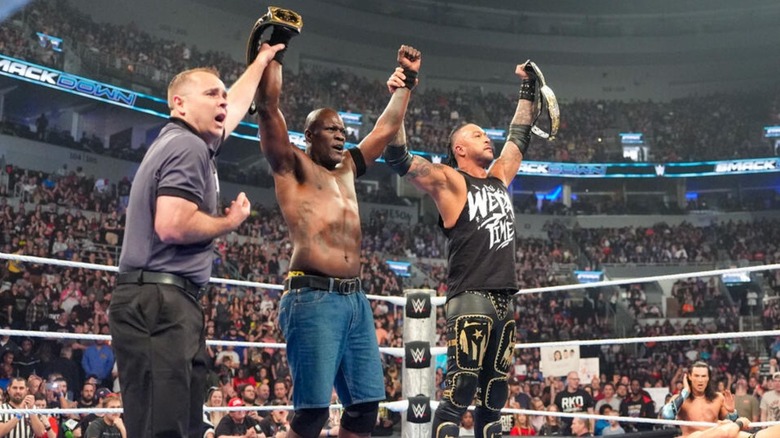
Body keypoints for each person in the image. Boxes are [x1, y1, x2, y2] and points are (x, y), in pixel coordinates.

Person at [109, 40, 285, 438]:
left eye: (223, 95)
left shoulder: (189, 143)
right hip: (160, 302)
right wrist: (229, 221)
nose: (222, 102)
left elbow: (234, 108)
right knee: (163, 428)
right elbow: (171, 225)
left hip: (165, 301)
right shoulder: (188, 146)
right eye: (211, 94)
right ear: (179, 104)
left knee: (178, 424)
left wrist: (260, 62)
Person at [254, 22, 421, 436]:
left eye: (344, 131)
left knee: (365, 410)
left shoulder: (348, 168)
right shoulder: (292, 166)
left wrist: (407, 82)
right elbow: (268, 108)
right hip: (312, 297)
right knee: (310, 416)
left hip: (355, 301)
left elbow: (383, 130)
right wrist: (274, 51)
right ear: (309, 134)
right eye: (331, 129)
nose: (341, 136)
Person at [384, 60, 536, 438]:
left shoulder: (500, 177)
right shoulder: (450, 180)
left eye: (486, 133)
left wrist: (529, 88)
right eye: (477, 134)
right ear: (459, 147)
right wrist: (402, 92)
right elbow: (399, 158)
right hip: (470, 297)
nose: (487, 137)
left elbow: (519, 135)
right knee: (459, 392)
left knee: (494, 397)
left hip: (504, 297)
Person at [659, 362, 780, 437]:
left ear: (708, 378)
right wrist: (685, 391)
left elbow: (732, 425)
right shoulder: (679, 399)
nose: (700, 380)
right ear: (689, 377)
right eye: (696, 376)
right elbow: (667, 415)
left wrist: (732, 412)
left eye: (703, 376)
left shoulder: (717, 398)